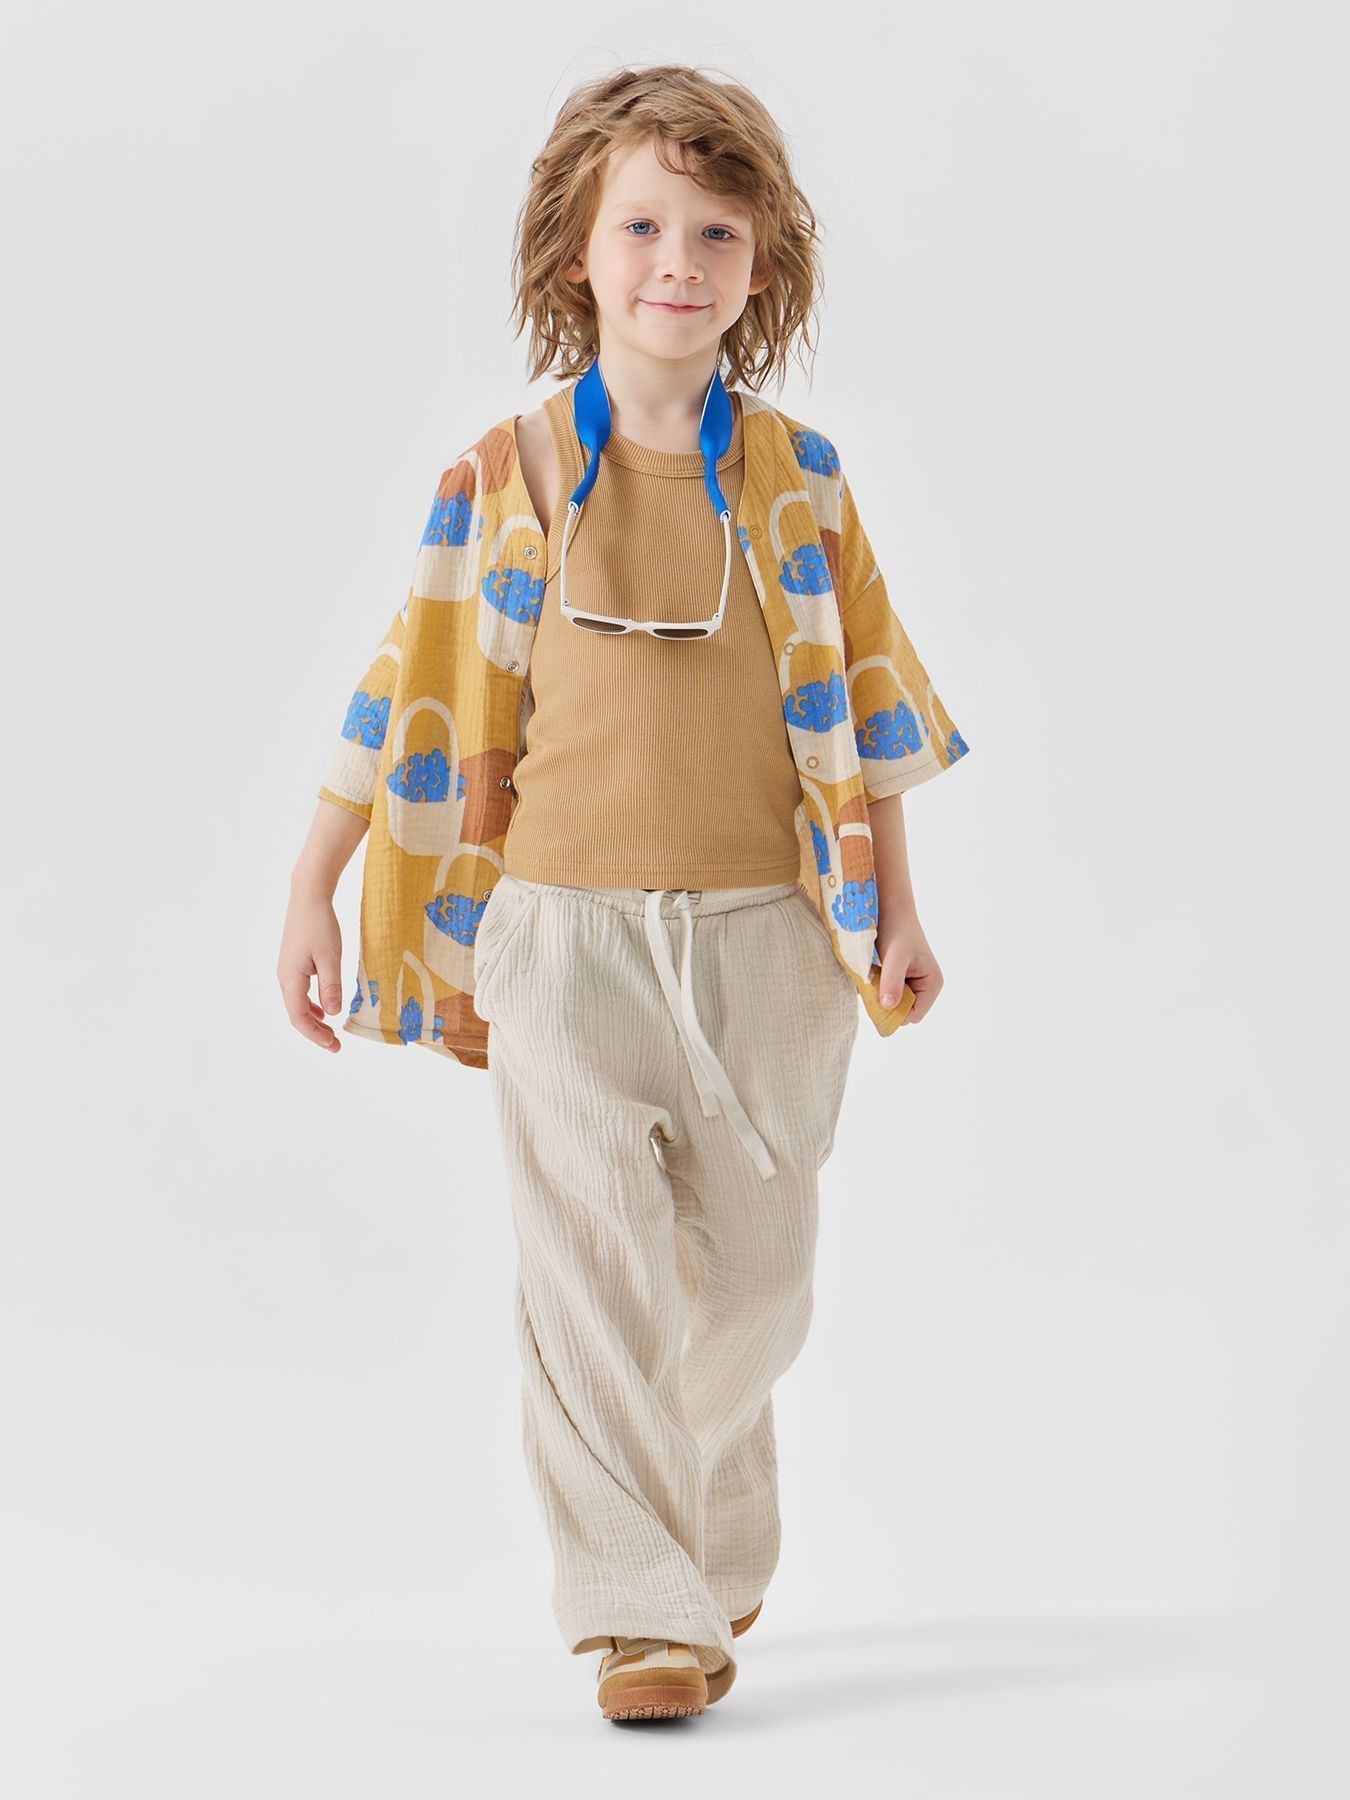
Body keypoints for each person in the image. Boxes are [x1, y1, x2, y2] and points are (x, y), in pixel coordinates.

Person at [278, 63, 971, 1725]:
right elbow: (405, 687)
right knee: (589, 1277)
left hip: (768, 943)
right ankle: (636, 1615)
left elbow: (872, 701)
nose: (679, 260)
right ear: (574, 254)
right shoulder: (502, 475)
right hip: (556, 940)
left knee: (756, 1280)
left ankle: (699, 1515)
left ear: (759, 263)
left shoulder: (799, 478)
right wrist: (314, 885)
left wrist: (898, 905)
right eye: (643, 226)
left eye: (716, 231)